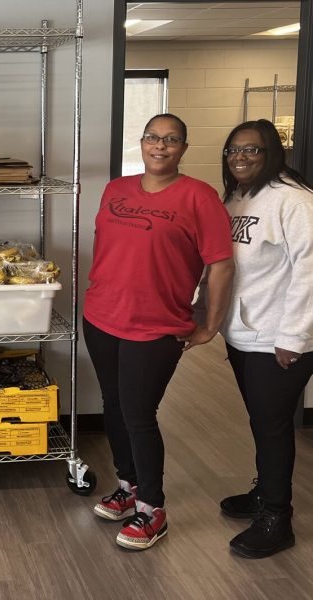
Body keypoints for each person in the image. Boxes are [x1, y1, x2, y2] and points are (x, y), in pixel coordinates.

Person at [83, 114, 234, 550]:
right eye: (153, 137)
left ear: (183, 148)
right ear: (142, 142)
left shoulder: (199, 197)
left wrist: (211, 325)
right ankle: (128, 486)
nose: (160, 146)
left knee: (138, 414)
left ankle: (152, 509)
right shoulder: (116, 189)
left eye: (171, 139)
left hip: (155, 325)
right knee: (113, 405)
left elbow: (221, 264)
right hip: (101, 316)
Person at [215, 119, 313, 558]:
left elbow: (310, 273)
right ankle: (264, 493)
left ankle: (277, 518)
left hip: (279, 337)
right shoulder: (236, 197)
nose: (240, 156)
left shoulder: (294, 201)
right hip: (244, 333)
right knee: (261, 421)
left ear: (272, 152)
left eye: (252, 149)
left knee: (272, 426)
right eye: (233, 149)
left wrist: (293, 336)